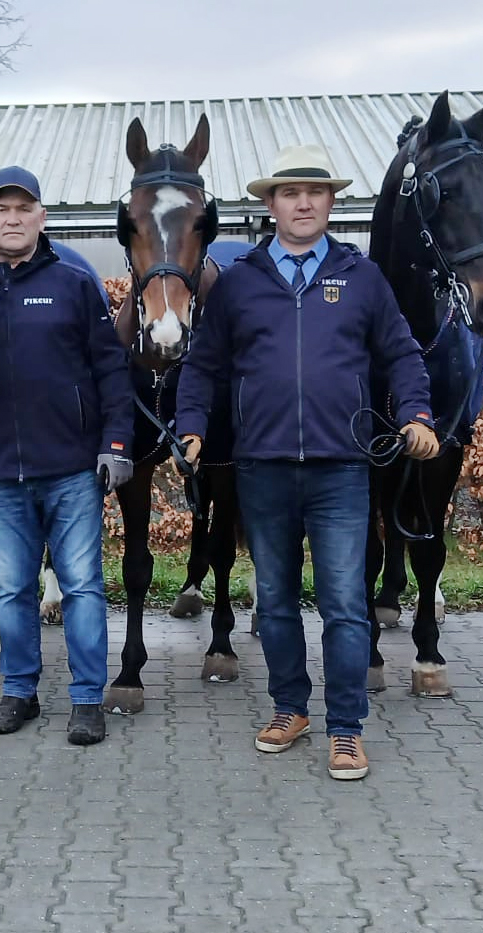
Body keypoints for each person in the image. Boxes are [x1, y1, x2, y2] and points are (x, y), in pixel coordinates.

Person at [174, 144, 439, 781]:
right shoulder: (240, 282)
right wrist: (191, 428)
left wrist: (417, 413)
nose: (302, 202)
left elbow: (402, 354)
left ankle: (345, 729)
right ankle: (290, 708)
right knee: (276, 602)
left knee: (346, 604)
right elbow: (204, 366)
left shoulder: (361, 276)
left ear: (329, 202)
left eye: (314, 193)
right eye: (290, 193)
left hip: (340, 469)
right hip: (261, 468)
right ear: (271, 204)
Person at [0, 165, 134, 746]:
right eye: (1, 209)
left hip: (71, 469)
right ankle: (20, 693)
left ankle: (87, 699)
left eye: (24, 209)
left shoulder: (73, 282)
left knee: (83, 585)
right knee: (13, 591)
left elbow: (111, 368)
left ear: (42, 217)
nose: (13, 219)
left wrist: (115, 444)